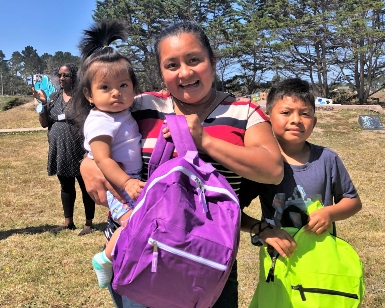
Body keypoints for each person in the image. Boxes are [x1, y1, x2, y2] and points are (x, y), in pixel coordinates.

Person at [80, 21, 285, 308]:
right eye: (172, 65)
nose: (185, 73)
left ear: (212, 61)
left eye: (194, 60)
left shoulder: (243, 112)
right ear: (161, 72)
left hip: (205, 261)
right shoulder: (140, 105)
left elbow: (273, 170)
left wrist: (205, 140)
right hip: (139, 252)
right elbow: (101, 132)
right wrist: (86, 163)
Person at [240, 77, 362, 258]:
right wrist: (261, 229)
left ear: (314, 122)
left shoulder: (327, 159)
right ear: (268, 119)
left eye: (305, 114)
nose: (296, 120)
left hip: (321, 259)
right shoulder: (263, 163)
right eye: (286, 112)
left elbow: (353, 202)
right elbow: (232, 210)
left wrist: (329, 213)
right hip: (278, 264)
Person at [73, 20, 146, 290]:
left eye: (124, 85)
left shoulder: (121, 111)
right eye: (105, 88)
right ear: (89, 95)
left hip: (131, 179)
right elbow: (102, 159)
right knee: (132, 224)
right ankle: (104, 259)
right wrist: (126, 183)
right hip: (119, 183)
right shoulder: (101, 120)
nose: (116, 92)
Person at [32, 63, 96, 236]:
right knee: (66, 185)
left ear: (73, 77)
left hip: (79, 148)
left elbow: (92, 122)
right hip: (60, 148)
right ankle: (68, 222)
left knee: (85, 186)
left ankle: (89, 223)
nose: (61, 78)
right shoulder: (53, 98)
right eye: (59, 75)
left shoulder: (82, 97)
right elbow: (45, 123)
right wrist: (42, 105)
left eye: (65, 75)